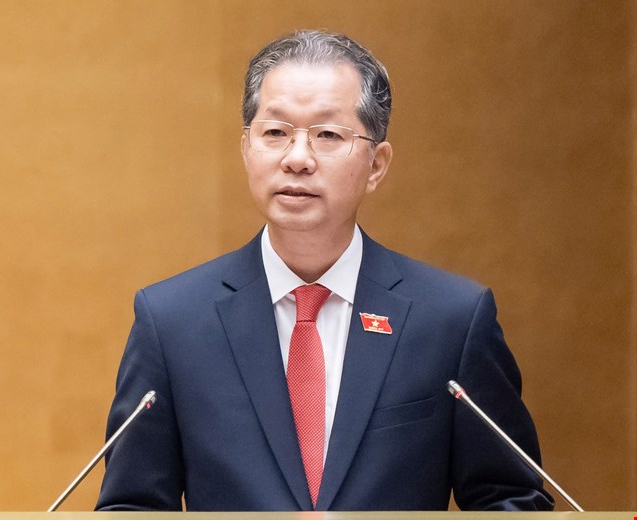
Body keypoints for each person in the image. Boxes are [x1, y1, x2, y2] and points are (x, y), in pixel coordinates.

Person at [96, 30, 554, 512]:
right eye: (274, 133)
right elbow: (133, 507)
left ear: (377, 164)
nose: (297, 159)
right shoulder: (172, 323)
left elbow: (510, 500)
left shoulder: (452, 321)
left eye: (328, 135)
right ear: (247, 149)